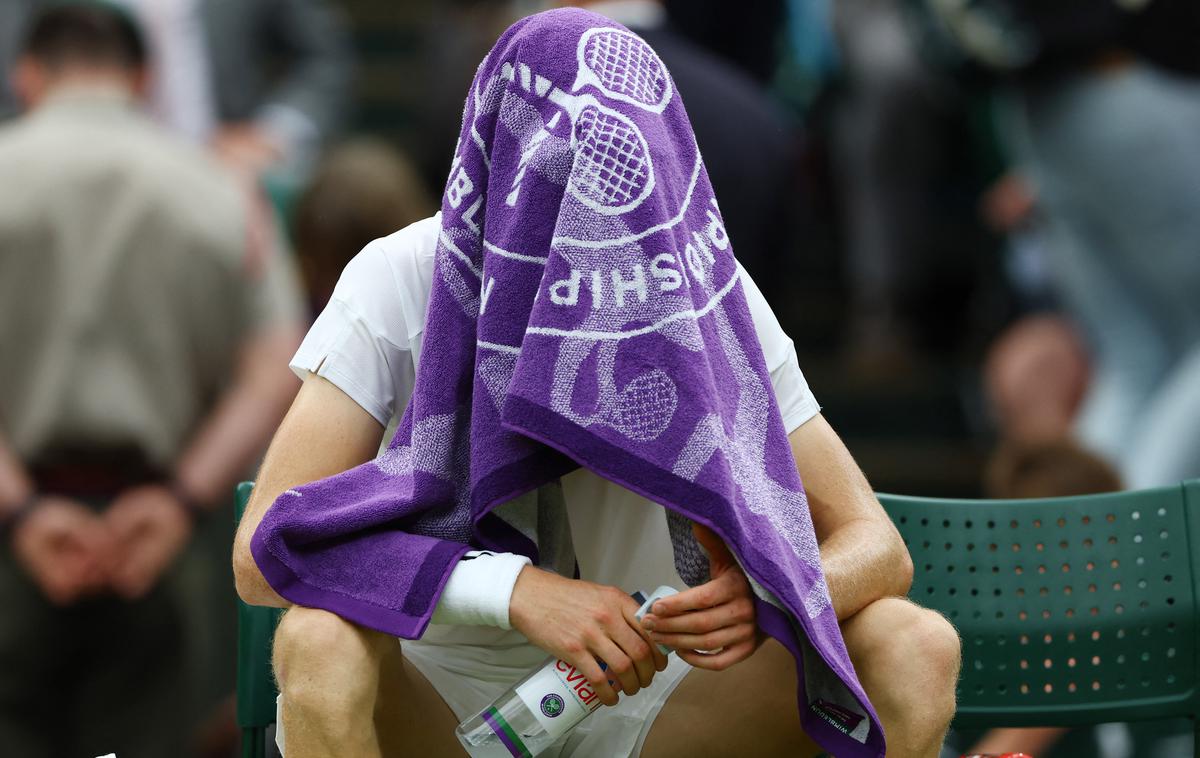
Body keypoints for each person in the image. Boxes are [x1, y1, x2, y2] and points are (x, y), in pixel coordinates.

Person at [234, 9, 960, 757]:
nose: (599, 210)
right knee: (316, 642)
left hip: (663, 697)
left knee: (913, 644)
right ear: (503, 161)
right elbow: (260, 552)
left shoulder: (708, 286)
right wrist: (512, 592)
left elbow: (878, 547)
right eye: (568, 172)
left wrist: (766, 593)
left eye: (623, 173)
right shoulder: (403, 273)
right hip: (441, 699)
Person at [0, 5, 305, 756]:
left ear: (26, 74)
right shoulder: (220, 190)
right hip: (163, 543)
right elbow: (277, 367)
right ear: (144, 78)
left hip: (9, 536)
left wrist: (23, 512)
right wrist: (178, 499)